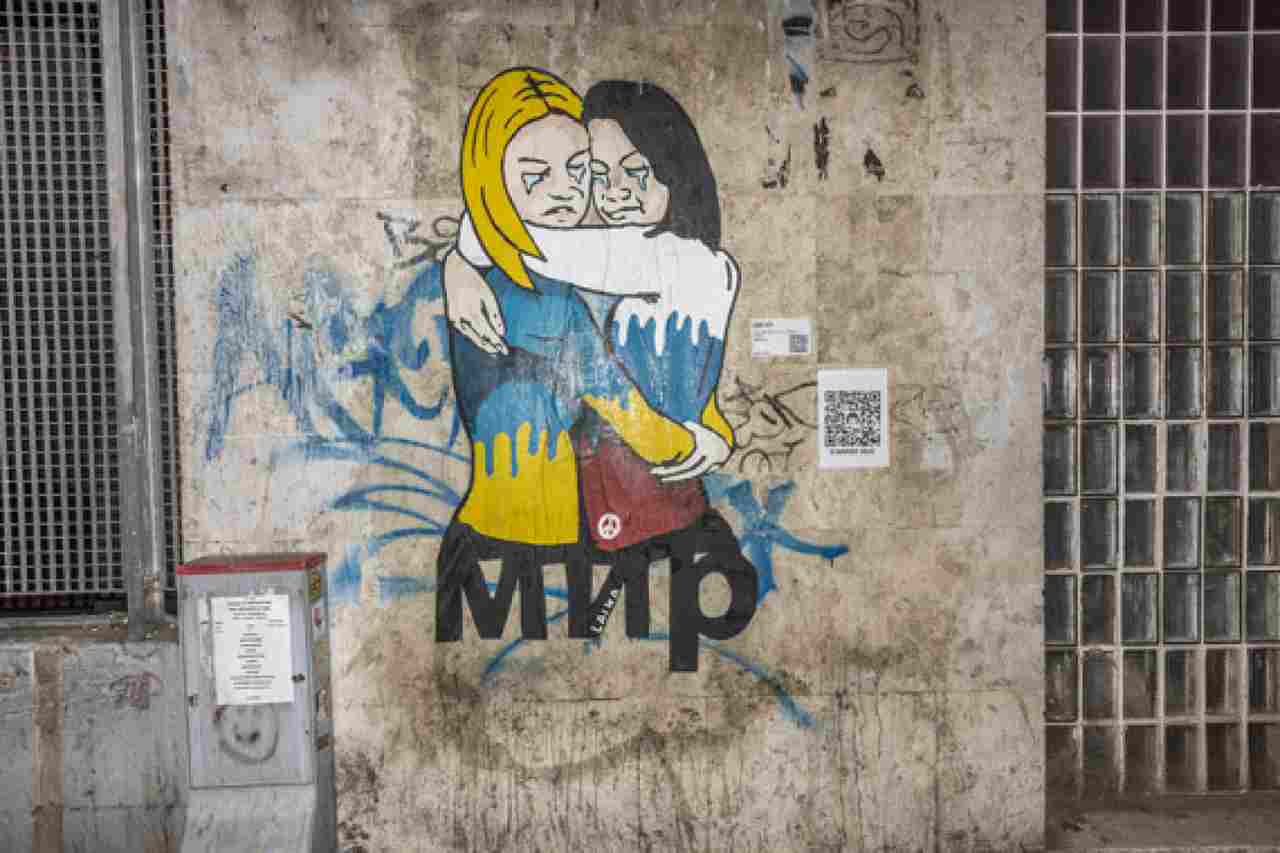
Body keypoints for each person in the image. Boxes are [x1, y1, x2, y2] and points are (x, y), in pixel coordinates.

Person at [444, 77, 757, 642]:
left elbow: (536, 245)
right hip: (577, 524)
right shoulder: (561, 285)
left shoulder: (659, 259)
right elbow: (629, 387)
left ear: (677, 173)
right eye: (599, 173)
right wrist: (699, 441)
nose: (607, 194)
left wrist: (463, 259)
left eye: (577, 171)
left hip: (597, 519)